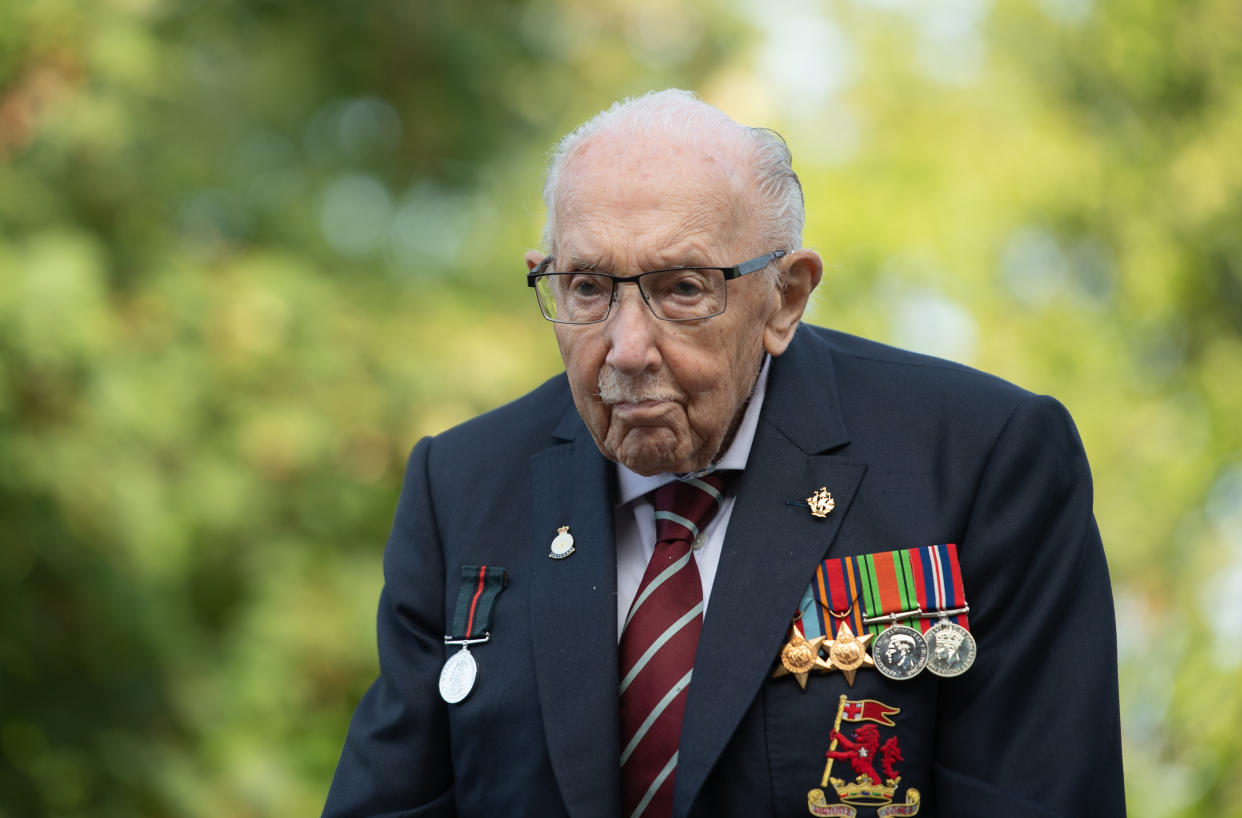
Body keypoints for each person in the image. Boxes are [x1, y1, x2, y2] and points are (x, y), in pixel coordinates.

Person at [323, 90, 1124, 818]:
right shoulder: (463, 485)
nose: (625, 349)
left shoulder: (981, 463)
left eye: (681, 289)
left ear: (786, 298)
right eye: (589, 288)